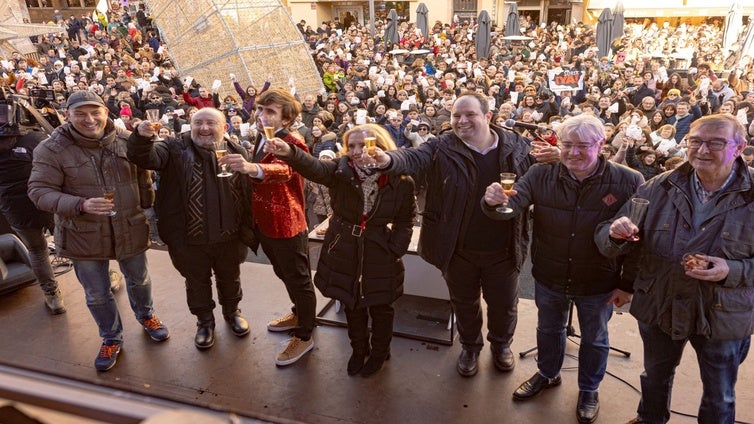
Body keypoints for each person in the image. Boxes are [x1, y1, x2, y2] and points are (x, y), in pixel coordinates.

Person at [371, 91, 560, 377]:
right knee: (464, 302)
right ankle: (471, 346)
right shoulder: (441, 147)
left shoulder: (518, 147)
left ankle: (501, 345)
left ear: (488, 116)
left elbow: (547, 180)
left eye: (470, 114)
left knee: (504, 304)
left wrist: (559, 158)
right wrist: (387, 159)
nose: (461, 121)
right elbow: (412, 157)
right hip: (456, 246)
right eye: (456, 115)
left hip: (504, 247)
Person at [482, 114, 644, 423]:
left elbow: (638, 239)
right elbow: (510, 209)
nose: (572, 153)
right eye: (566, 145)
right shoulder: (540, 174)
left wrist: (628, 284)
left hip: (599, 279)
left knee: (595, 338)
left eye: (583, 146)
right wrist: (493, 203)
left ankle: (589, 389)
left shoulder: (628, 180)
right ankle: (548, 373)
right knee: (548, 329)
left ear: (602, 144)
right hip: (550, 273)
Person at [596, 114, 754, 424]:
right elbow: (608, 236)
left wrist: (731, 270)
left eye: (716, 142)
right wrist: (615, 234)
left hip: (723, 313)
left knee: (719, 391)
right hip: (661, 303)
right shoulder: (660, 186)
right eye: (695, 141)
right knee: (654, 375)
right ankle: (650, 418)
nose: (702, 149)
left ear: (740, 148)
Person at [27, 91, 169, 372]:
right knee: (96, 293)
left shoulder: (126, 140)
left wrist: (145, 208)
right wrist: (80, 204)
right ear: (67, 114)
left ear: (107, 113)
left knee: (139, 279)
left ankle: (147, 316)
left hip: (128, 224)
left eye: (95, 112)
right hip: (82, 232)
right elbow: (38, 191)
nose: (89, 119)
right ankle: (111, 337)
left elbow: (143, 176)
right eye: (80, 113)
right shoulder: (51, 149)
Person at [263, 123, 416, 377]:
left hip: (379, 248)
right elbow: (315, 168)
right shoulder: (340, 170)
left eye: (365, 144)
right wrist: (289, 151)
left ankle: (379, 353)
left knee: (381, 306)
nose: (357, 151)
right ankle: (358, 350)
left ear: (381, 146)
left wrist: (395, 248)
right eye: (352, 146)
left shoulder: (400, 180)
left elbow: (406, 220)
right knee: (351, 304)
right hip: (344, 245)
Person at [127, 107, 253, 349]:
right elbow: (146, 157)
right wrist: (141, 138)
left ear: (224, 128)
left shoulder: (238, 151)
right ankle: (204, 322)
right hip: (189, 237)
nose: (204, 128)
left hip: (229, 236)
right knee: (197, 282)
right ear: (190, 125)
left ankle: (232, 312)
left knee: (230, 277)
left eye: (210, 123)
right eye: (198, 123)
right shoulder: (174, 148)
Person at [220, 88, 316, 366]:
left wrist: (251, 169)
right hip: (265, 222)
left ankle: (305, 335)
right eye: (261, 110)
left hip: (287, 223)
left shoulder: (293, 140)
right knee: (285, 274)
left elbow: (286, 170)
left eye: (270, 112)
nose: (262, 116)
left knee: (298, 279)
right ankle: (299, 312)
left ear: (286, 119)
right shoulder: (264, 135)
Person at [0, 128, 65, 314]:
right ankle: (99, 282)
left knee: (37, 250)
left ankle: (53, 297)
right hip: (47, 200)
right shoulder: (34, 138)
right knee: (74, 243)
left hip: (15, 209)